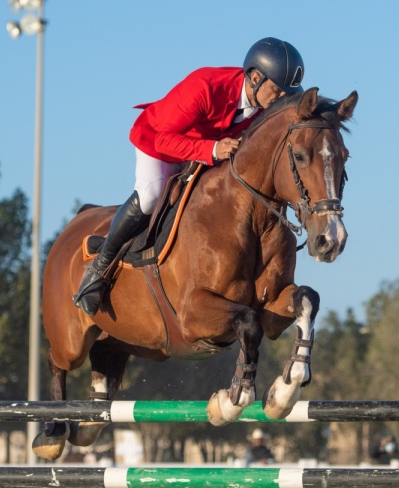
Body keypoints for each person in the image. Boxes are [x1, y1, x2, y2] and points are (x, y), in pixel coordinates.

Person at [74, 37, 305, 316]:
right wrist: (212, 149)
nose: (281, 100)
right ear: (255, 77)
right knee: (151, 197)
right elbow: (163, 141)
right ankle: (100, 265)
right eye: (278, 92)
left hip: (209, 149)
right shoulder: (205, 86)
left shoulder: (262, 107)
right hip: (160, 142)